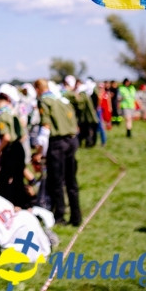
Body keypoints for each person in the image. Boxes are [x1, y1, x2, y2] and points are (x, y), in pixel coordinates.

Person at [35, 79, 81, 227]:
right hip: (72, 140)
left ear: (38, 89)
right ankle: (76, 216)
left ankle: (59, 214)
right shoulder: (62, 99)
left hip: (57, 143)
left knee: (57, 180)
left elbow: (46, 126)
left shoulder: (45, 101)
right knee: (71, 180)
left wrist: (40, 151)